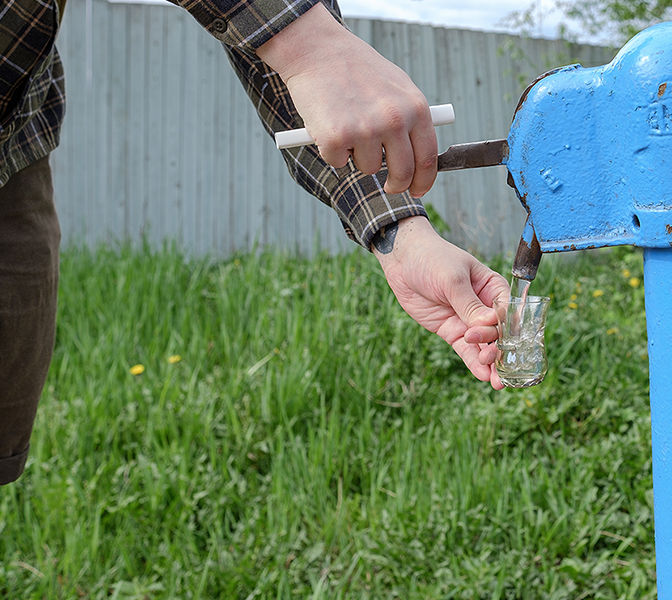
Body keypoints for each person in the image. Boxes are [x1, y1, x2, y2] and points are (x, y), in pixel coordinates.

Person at [0, 0, 509, 486]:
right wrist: (311, 45)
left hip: (13, 144)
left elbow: (264, 42)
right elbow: (284, 38)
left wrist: (400, 233)